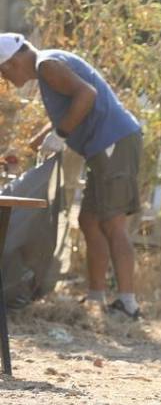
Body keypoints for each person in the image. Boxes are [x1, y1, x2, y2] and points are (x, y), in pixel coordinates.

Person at [0, 33, 143, 319]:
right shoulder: (47, 67)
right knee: (89, 220)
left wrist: (61, 134)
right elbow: (72, 105)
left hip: (113, 141)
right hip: (101, 146)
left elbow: (86, 94)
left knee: (113, 224)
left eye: (2, 72)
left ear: (13, 62)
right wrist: (45, 136)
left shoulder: (47, 65)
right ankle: (96, 299)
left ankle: (128, 305)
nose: (4, 79)